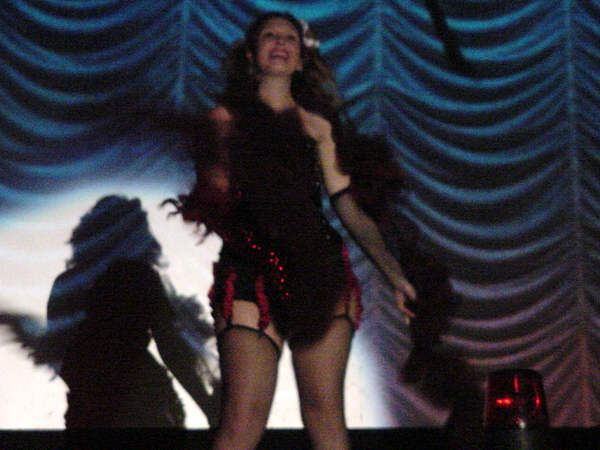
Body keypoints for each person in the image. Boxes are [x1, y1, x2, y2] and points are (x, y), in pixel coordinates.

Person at [171, 11, 418, 449]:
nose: (281, 43)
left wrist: (393, 273)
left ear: (302, 59)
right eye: (270, 36)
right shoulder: (224, 121)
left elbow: (348, 205)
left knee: (325, 413)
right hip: (251, 267)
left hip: (318, 270)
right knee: (242, 420)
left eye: (290, 38)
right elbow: (215, 197)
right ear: (252, 54)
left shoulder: (318, 126)